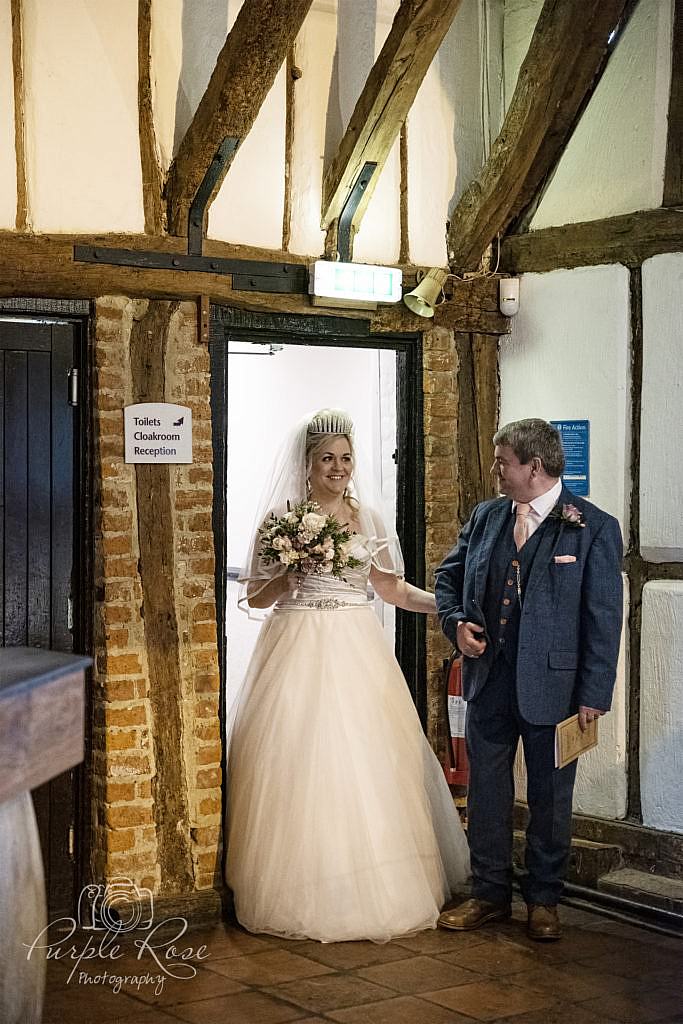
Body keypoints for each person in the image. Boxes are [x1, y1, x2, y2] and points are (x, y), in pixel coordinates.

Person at [225, 409, 469, 943]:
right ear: (308, 464)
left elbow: (393, 590)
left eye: (346, 458)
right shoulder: (281, 520)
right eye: (327, 459)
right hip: (297, 643)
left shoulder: (370, 520)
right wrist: (290, 571)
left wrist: (450, 610)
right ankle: (299, 888)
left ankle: (378, 884)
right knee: (299, 759)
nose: (338, 468)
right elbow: (254, 595)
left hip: (357, 644)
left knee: (369, 760)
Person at [434, 418, 623, 941]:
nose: (495, 469)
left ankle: (544, 900)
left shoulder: (593, 527)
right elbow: (448, 577)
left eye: (502, 462)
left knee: (550, 798)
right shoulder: (487, 515)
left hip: (557, 691)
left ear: (533, 467)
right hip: (488, 682)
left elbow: (604, 618)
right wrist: (456, 625)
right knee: (487, 795)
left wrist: (594, 694)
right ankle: (488, 895)